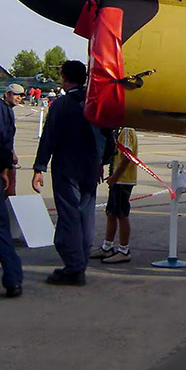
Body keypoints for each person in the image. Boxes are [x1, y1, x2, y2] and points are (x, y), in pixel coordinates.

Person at [31, 61, 111, 286]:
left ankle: (74, 268)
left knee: (69, 216)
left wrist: (39, 167)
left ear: (66, 79)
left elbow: (49, 138)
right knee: (86, 214)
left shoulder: (62, 105)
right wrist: (101, 161)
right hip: (90, 166)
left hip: (67, 166)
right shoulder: (94, 102)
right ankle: (81, 261)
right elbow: (108, 135)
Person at [0, 84, 25, 297]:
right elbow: (7, 145)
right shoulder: (2, 110)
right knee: (0, 229)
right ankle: (13, 279)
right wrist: (4, 171)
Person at [91, 127, 138, 264]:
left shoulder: (127, 130)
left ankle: (124, 250)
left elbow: (127, 155)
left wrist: (116, 176)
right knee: (111, 212)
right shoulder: (119, 130)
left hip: (123, 180)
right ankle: (107, 246)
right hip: (117, 179)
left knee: (121, 214)